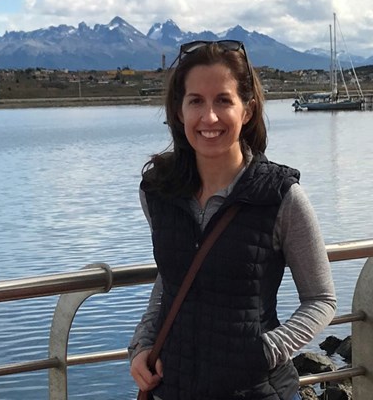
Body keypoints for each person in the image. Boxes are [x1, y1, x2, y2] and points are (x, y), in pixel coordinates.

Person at [128, 40, 336, 400]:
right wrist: (142, 345)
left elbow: (321, 298)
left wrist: (266, 350)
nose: (209, 117)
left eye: (223, 100)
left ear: (248, 110)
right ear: (179, 111)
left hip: (257, 389)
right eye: (196, 101)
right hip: (172, 387)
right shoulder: (158, 192)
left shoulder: (281, 196)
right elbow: (172, 274)